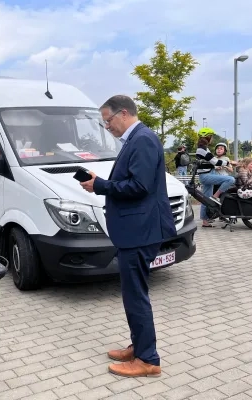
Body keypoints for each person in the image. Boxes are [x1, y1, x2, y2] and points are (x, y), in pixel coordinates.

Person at [80, 95, 176, 378]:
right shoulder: (137, 140)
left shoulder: (143, 140)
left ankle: (148, 360)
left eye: (108, 121)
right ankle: (139, 346)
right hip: (136, 230)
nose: (107, 127)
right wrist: (103, 183)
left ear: (123, 114)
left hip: (140, 231)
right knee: (132, 293)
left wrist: (100, 185)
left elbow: (139, 187)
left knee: (136, 296)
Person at [194, 128, 238, 228]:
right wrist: (229, 162)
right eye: (212, 137)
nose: (212, 139)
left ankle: (205, 221)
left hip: (205, 175)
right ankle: (216, 196)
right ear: (208, 137)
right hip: (206, 176)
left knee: (205, 200)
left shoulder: (202, 149)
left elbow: (211, 162)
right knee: (230, 179)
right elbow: (216, 162)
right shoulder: (203, 149)